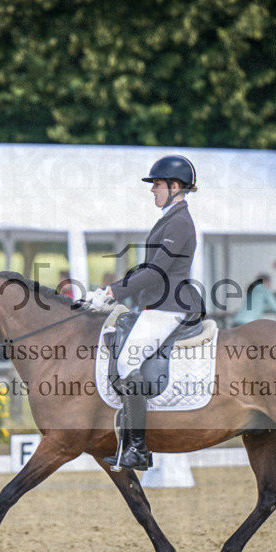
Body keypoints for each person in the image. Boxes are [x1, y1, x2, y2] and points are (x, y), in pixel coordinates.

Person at [85, 155, 202, 471]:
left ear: (175, 187)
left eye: (158, 185)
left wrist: (112, 292)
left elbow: (156, 271)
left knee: (127, 361)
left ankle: (137, 448)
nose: (153, 191)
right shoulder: (170, 217)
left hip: (169, 307)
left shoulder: (179, 222)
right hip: (155, 305)